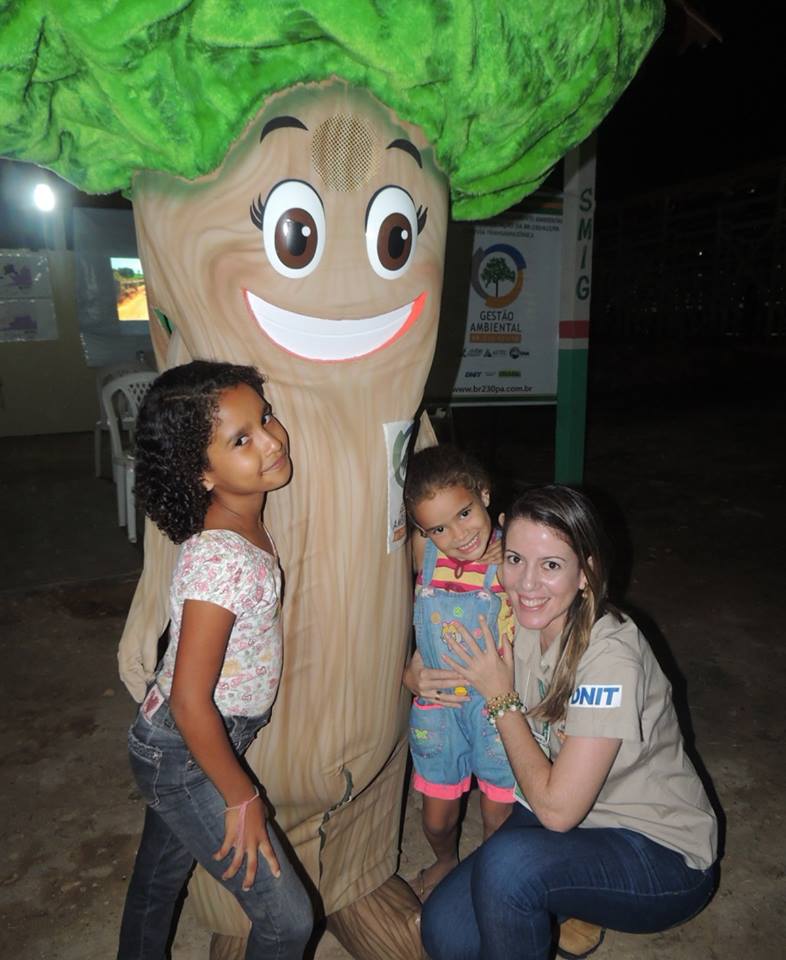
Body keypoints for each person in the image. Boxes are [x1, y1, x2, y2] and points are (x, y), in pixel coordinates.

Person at [421, 483, 718, 960]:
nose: (526, 584)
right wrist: (414, 670)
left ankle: (555, 895)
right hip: (567, 824)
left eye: (552, 565)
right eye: (515, 559)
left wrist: (502, 700)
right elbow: (446, 650)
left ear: (587, 572)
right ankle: (557, 900)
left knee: (510, 870)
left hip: (658, 854)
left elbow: (557, 811)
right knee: (446, 931)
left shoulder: (611, 655)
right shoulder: (516, 621)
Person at [116, 360, 313, 960]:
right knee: (288, 921)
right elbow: (188, 699)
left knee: (158, 878)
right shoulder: (221, 560)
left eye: (266, 419)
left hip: (186, 740)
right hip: (185, 750)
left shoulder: (242, 522)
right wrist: (242, 798)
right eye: (242, 440)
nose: (272, 441)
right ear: (201, 473)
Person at [401, 445, 516, 902]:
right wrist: (405, 670)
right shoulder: (422, 554)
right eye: (439, 527)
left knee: (497, 813)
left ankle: (493, 875)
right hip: (439, 709)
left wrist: (515, 555)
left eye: (465, 513)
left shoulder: (517, 549)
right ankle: (446, 860)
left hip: (497, 706)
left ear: (484, 494)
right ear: (422, 532)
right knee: (435, 817)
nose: (459, 534)